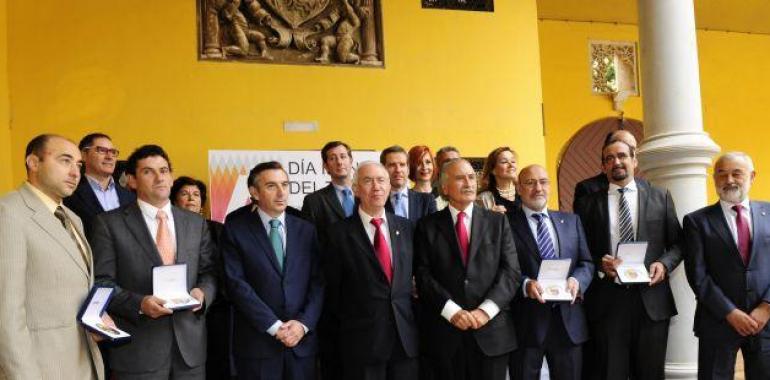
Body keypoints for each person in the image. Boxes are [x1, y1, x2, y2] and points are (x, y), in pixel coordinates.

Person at [91, 144, 217, 379]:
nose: (159, 177)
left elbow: (209, 271)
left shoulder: (195, 223)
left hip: (190, 351)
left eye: (164, 170)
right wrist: (139, 303)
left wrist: (203, 293)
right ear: (132, 180)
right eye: (148, 171)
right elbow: (102, 281)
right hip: (138, 351)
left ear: (171, 177)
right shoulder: (109, 224)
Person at [573, 139, 682, 380]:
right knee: (612, 373)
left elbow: (678, 244)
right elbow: (580, 251)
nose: (616, 162)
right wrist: (600, 265)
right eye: (609, 158)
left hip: (651, 303)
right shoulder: (588, 204)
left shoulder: (660, 196)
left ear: (634, 161)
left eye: (622, 156)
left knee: (650, 373)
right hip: (608, 303)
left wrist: (663, 264)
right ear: (602, 167)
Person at [0, 134, 106, 379]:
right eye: (65, 161)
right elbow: (6, 313)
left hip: (83, 363)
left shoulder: (73, 218)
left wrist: (95, 318)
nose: (75, 172)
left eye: (79, 165)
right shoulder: (9, 213)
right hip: (43, 368)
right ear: (33, 162)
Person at [415, 158, 521, 380]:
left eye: (472, 177)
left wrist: (485, 311)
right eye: (460, 178)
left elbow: (510, 272)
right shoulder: (427, 226)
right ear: (444, 187)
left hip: (492, 333)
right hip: (446, 334)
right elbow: (423, 275)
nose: (469, 183)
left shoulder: (498, 222)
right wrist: (452, 312)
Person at [221, 161, 324, 379]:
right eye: (271, 186)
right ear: (254, 192)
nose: (281, 193)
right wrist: (274, 326)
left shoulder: (306, 230)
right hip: (258, 344)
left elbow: (319, 282)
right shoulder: (235, 230)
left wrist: (303, 324)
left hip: (301, 345)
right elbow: (236, 284)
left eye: (285, 185)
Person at [325, 161, 419, 380]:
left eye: (381, 180)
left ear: (389, 186)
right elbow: (333, 290)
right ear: (356, 189)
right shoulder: (338, 233)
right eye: (368, 181)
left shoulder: (406, 228)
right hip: (362, 342)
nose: (376, 187)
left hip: (404, 339)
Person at [683, 152, 770, 380]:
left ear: (752, 177)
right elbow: (698, 276)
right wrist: (730, 313)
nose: (729, 179)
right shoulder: (696, 221)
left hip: (766, 322)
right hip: (717, 322)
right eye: (722, 174)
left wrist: (766, 307)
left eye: (736, 173)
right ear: (714, 179)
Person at [507, 165, 593, 380]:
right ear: (518, 188)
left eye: (543, 182)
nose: (538, 188)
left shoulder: (571, 221)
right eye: (530, 182)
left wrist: (577, 281)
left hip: (568, 323)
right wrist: (525, 284)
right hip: (526, 324)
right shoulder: (504, 224)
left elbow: (587, 262)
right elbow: (502, 269)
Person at [300, 140, 354, 380]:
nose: (339, 161)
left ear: (351, 161)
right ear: (325, 166)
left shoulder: (370, 194)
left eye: (343, 156)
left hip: (369, 286)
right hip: (333, 287)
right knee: (334, 355)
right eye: (332, 158)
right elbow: (310, 247)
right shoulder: (314, 201)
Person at [170, 176, 232, 380]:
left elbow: (221, 269)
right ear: (174, 198)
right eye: (184, 194)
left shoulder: (217, 229)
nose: (191, 199)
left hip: (214, 310)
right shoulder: (167, 228)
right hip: (177, 313)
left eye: (196, 195)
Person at [64, 133, 135, 238]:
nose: (109, 157)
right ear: (83, 155)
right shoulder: (69, 194)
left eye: (113, 152)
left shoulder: (130, 197)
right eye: (102, 150)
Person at [573, 129, 643, 209]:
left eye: (634, 149)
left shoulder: (647, 188)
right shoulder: (587, 189)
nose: (632, 152)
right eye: (627, 146)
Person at [381, 145, 437, 223]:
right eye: (392, 165)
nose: (398, 170)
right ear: (382, 169)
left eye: (402, 165)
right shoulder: (377, 200)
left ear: (408, 168)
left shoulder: (427, 201)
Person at [477, 147, 520, 214]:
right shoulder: (484, 198)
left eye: (513, 161)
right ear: (493, 170)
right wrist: (489, 217)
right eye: (504, 162)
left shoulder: (524, 192)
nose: (511, 165)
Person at [432, 146, 461, 211]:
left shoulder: (468, 190)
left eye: (456, 161)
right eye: (447, 162)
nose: (453, 164)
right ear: (437, 166)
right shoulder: (430, 194)